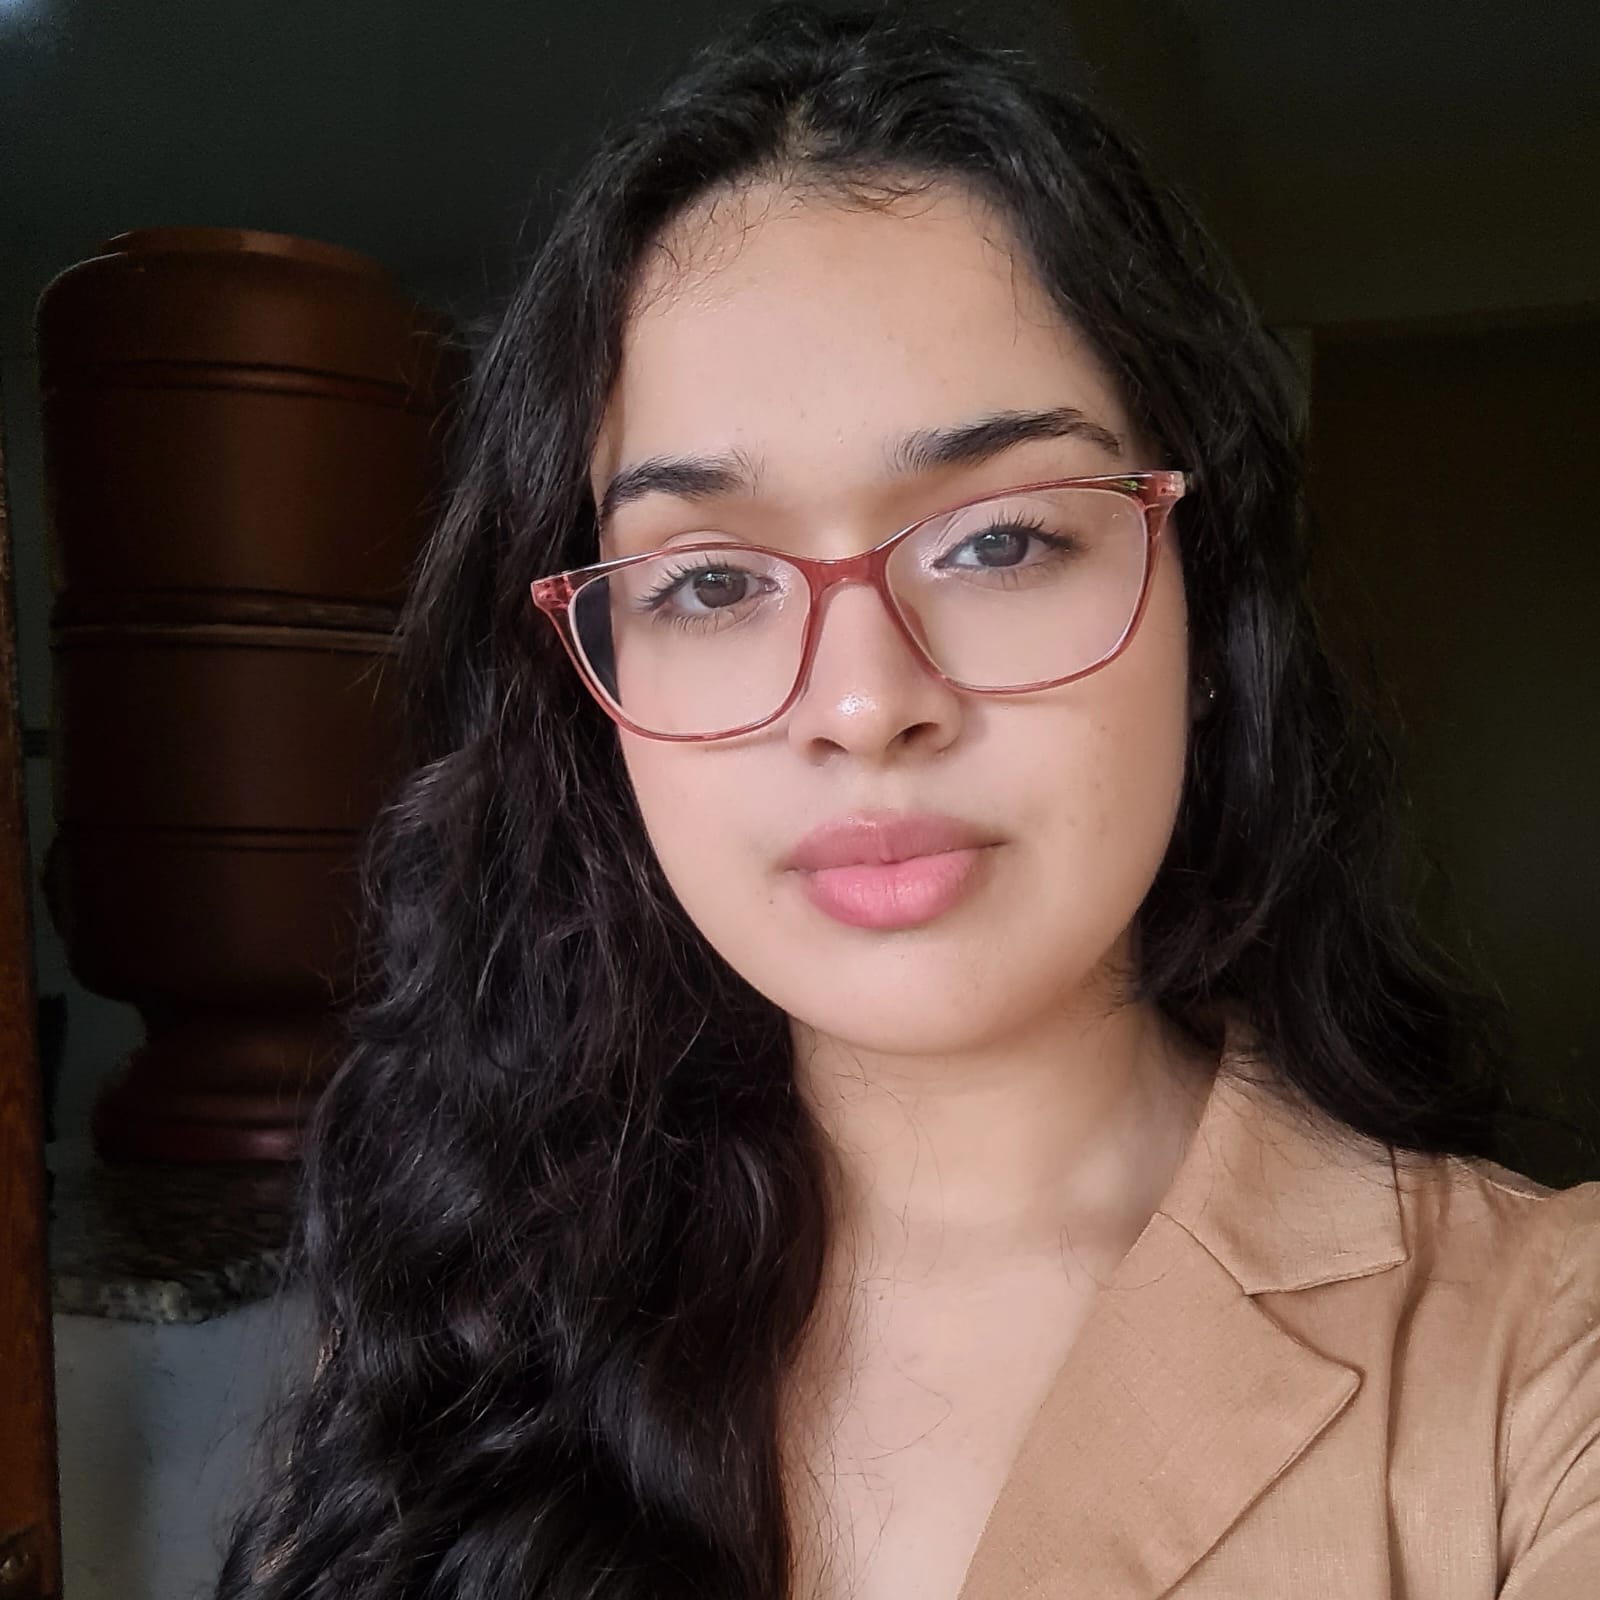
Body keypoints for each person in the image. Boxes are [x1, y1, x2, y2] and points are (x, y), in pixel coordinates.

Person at [216, 5, 1600, 1597]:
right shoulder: (463, 1319)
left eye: (999, 541)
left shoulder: (1539, 1367)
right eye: (710, 580)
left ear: (1204, 612)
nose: (867, 703)